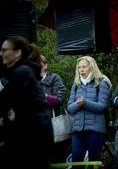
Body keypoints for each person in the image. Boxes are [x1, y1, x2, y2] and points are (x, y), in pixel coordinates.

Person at [0, 36, 53, 169]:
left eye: (5, 50)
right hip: (30, 133)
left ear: (18, 53)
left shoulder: (23, 72)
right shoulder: (20, 71)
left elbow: (5, 100)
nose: (1, 53)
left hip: (34, 136)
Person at [67, 56, 112, 163]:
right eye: (79, 67)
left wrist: (85, 103)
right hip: (78, 131)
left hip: (95, 131)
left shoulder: (101, 83)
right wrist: (78, 104)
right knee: (76, 164)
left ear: (91, 67)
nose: (81, 70)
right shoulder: (76, 85)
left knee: (93, 163)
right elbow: (69, 108)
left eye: (84, 67)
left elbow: (102, 106)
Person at [40, 54, 68, 163]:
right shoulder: (31, 80)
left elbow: (59, 99)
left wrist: (43, 97)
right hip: (35, 126)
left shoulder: (54, 78)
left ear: (45, 65)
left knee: (56, 158)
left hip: (52, 126)